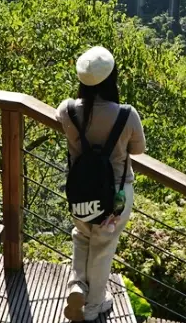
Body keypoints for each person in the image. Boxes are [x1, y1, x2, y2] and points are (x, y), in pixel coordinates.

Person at [56, 46, 146, 321]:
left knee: (82, 236)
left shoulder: (67, 109)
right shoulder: (126, 114)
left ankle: (77, 286)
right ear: (112, 78)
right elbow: (138, 150)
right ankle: (93, 306)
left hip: (80, 190)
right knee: (103, 246)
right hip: (116, 194)